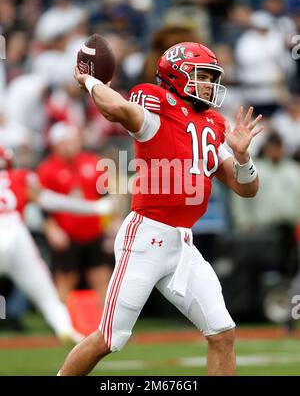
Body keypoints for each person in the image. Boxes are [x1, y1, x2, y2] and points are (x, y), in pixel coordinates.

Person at [58, 42, 263, 375]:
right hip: (146, 237)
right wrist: (91, 82)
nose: (210, 85)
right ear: (176, 75)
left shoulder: (212, 122)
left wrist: (243, 158)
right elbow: (118, 110)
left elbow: (246, 188)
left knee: (223, 332)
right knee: (109, 338)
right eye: (203, 76)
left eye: (212, 78)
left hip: (182, 244)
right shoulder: (157, 104)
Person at [0, 146, 113, 344]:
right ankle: (65, 328)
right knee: (48, 299)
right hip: (16, 234)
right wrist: (94, 207)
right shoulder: (19, 177)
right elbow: (51, 201)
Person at [38, 122, 114, 304]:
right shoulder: (47, 170)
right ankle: (63, 327)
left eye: (74, 140)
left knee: (101, 277)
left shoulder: (93, 162)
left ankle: (106, 327)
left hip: (94, 232)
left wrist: (111, 226)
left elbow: (106, 198)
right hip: (67, 235)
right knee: (65, 281)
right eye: (67, 141)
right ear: (56, 144)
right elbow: (42, 207)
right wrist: (52, 229)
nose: (72, 145)